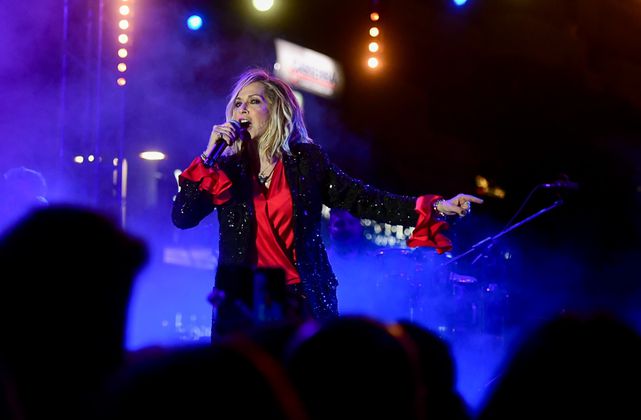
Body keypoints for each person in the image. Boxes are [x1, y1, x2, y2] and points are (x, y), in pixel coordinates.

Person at [171, 67, 483, 338]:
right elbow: (183, 216)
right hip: (243, 297)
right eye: (238, 103)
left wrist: (436, 207)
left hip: (301, 294)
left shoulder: (306, 162)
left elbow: (364, 199)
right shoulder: (225, 170)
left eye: (254, 102)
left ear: (277, 110)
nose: (242, 110)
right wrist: (208, 156)